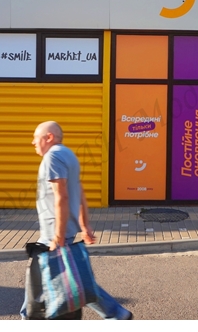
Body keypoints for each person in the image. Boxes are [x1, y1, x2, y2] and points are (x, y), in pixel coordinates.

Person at [21, 120, 133, 319]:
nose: (33, 142)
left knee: (64, 281)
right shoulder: (68, 155)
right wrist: (84, 224)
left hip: (54, 233)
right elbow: (80, 192)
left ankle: (116, 312)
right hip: (61, 231)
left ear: (49, 137)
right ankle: (116, 313)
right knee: (67, 277)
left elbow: (62, 196)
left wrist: (58, 236)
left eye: (36, 138)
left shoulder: (52, 157)